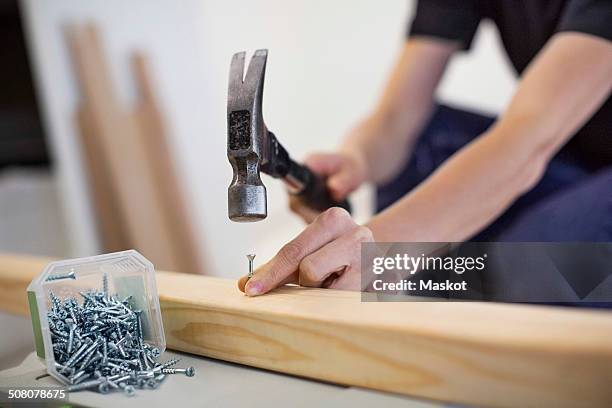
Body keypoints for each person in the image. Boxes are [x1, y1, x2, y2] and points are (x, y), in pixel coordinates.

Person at [238, 0, 612, 296]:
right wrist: (355, 159)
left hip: (569, 157)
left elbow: (529, 137)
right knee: (424, 143)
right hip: (576, 157)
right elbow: (397, 118)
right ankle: (412, 300)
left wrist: (382, 246)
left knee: (526, 260)